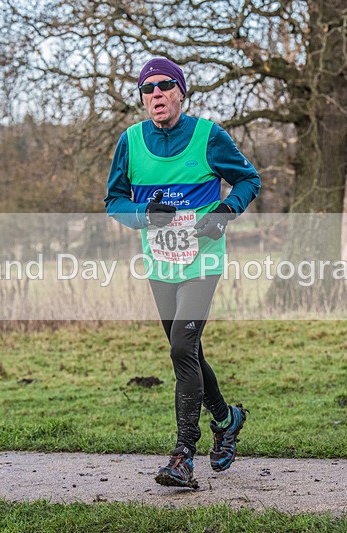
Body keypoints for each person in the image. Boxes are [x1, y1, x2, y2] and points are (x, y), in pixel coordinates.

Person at [104, 58, 260, 489]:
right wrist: (143, 214)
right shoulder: (130, 142)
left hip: (202, 261)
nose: (155, 94)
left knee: (182, 346)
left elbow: (248, 180)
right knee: (185, 349)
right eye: (147, 88)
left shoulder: (209, 136)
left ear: (180, 92)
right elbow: (114, 201)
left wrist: (226, 212)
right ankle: (228, 420)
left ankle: (182, 455)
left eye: (164, 86)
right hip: (160, 264)